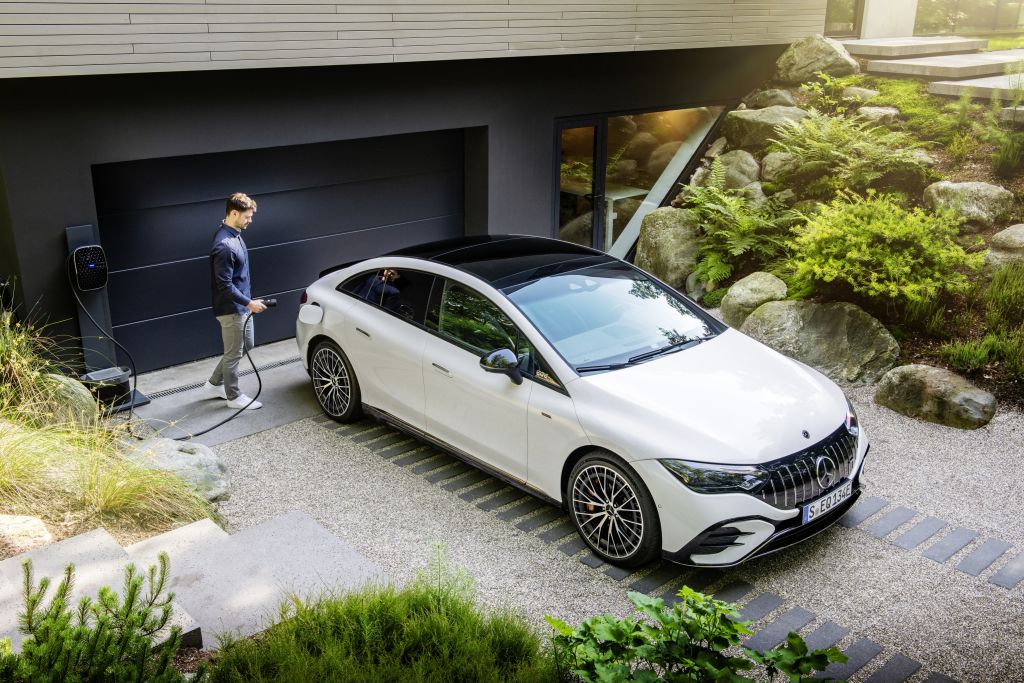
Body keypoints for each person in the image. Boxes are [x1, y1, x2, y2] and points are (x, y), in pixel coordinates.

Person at [203, 192, 267, 409]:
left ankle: (214, 384)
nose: (250, 220)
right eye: (247, 216)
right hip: (231, 309)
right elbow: (224, 285)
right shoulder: (224, 245)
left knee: (246, 344)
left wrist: (248, 301)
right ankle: (234, 397)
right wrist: (249, 303)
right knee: (233, 353)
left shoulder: (234, 234)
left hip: (242, 304)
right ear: (233, 213)